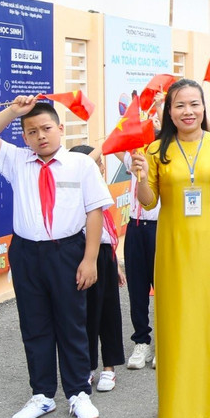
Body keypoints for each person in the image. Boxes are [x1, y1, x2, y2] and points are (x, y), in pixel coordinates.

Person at [130, 79, 210, 418]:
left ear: (204, 107)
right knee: (180, 324)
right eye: (180, 105)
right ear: (168, 111)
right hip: (173, 248)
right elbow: (149, 201)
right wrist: (140, 175)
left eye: (194, 104)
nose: (188, 111)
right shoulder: (155, 150)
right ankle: (182, 407)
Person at [0, 97, 110, 418]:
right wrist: (12, 112)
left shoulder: (81, 165)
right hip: (26, 253)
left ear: (61, 129)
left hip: (67, 252)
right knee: (34, 324)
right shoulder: (17, 161)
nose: (40, 136)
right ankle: (42, 395)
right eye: (31, 131)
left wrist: (90, 259)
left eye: (47, 128)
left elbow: (94, 212)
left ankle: (79, 392)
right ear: (24, 137)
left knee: (72, 323)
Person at [73, 145, 125, 395]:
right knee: (85, 315)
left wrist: (115, 265)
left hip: (104, 256)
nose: (100, 169)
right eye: (96, 165)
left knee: (109, 313)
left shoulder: (101, 189)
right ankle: (87, 366)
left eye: (102, 166)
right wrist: (103, 144)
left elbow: (107, 234)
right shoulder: (74, 188)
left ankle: (109, 367)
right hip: (81, 256)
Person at [124, 146, 160, 371]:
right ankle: (141, 342)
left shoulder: (166, 160)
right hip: (135, 228)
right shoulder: (133, 158)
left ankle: (164, 343)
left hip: (161, 227)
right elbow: (111, 145)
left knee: (164, 288)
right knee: (136, 288)